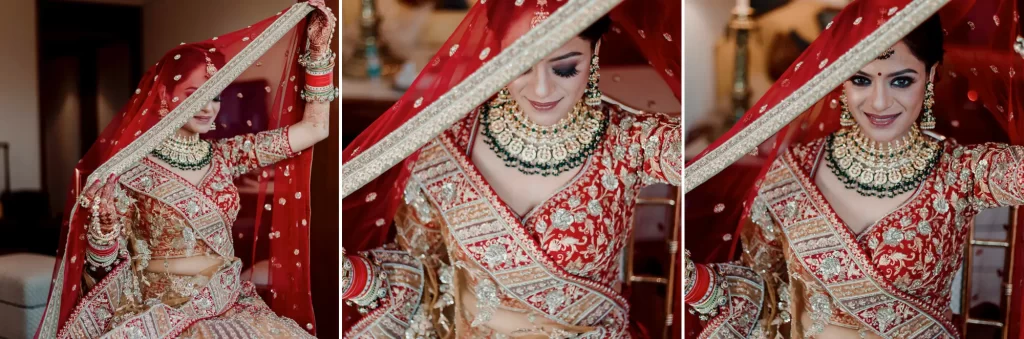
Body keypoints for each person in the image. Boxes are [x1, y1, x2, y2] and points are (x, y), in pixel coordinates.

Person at [340, 0, 681, 337]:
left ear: (594, 52)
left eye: (565, 68)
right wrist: (351, 277)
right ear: (496, 51)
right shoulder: (447, 141)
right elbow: (420, 266)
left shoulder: (631, 140)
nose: (542, 89)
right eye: (520, 65)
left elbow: (706, 167)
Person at [683, 0, 1022, 338]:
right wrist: (695, 283)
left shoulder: (962, 172)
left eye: (901, 81)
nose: (878, 102)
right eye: (860, 79)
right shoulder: (793, 170)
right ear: (840, 80)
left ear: (931, 76)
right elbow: (765, 292)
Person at [34, 2, 337, 338]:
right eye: (194, 94)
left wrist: (319, 52)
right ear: (164, 96)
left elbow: (315, 129)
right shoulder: (128, 169)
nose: (209, 107)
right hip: (158, 306)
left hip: (226, 300)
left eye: (216, 96)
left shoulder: (226, 155)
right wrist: (103, 231)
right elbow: (99, 268)